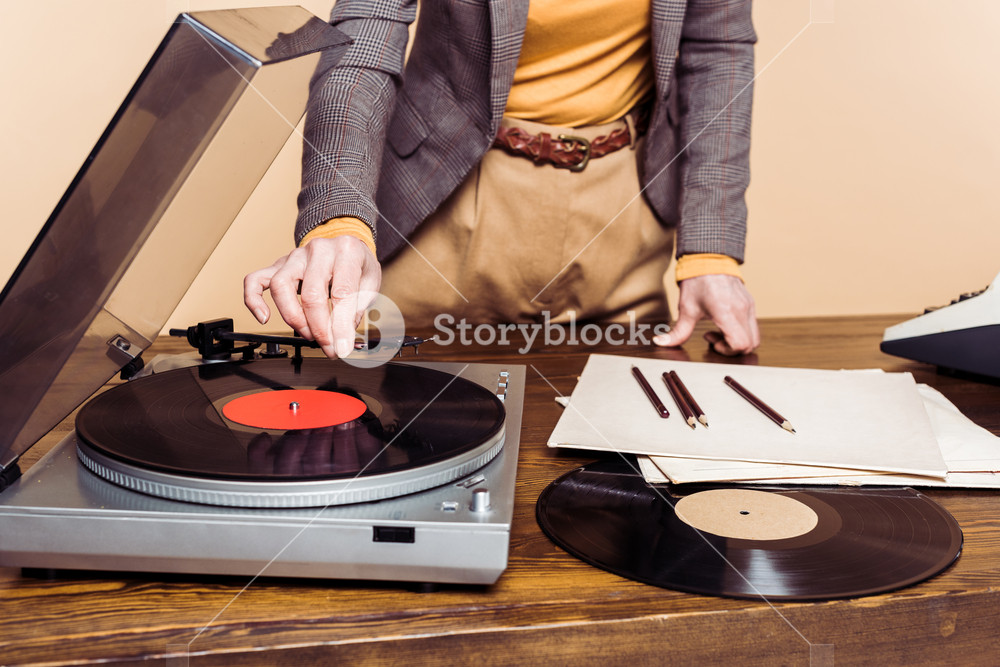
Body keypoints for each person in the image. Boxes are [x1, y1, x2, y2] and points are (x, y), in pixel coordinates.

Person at [244, 0, 760, 359]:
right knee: (389, 425)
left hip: (624, 204)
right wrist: (337, 217)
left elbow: (719, 50)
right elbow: (366, 30)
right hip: (447, 194)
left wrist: (710, 249)